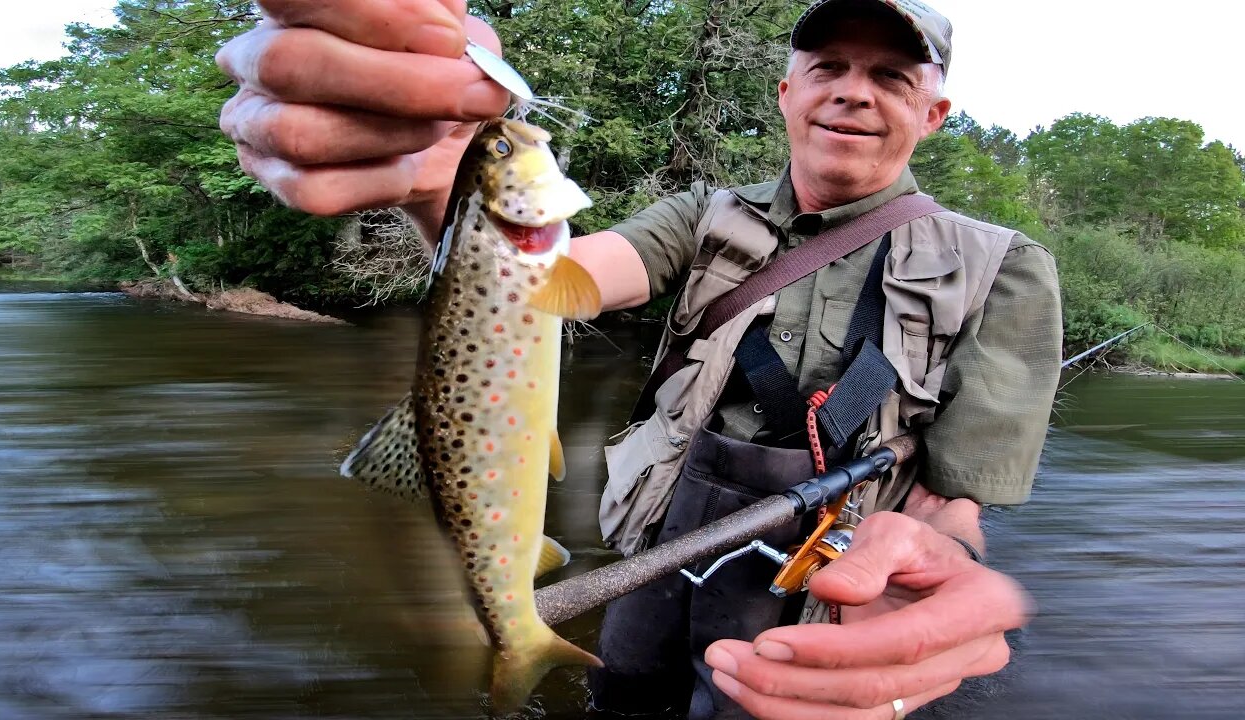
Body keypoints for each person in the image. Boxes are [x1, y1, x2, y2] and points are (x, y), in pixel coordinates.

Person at [215, 0, 1062, 717]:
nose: (853, 92)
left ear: (934, 114)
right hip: (665, 540)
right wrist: (442, 186)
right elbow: (560, 279)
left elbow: (955, 502)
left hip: (837, 569)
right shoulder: (701, 216)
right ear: (786, 93)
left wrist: (936, 567)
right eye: (828, 66)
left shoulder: (1007, 266)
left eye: (890, 77)